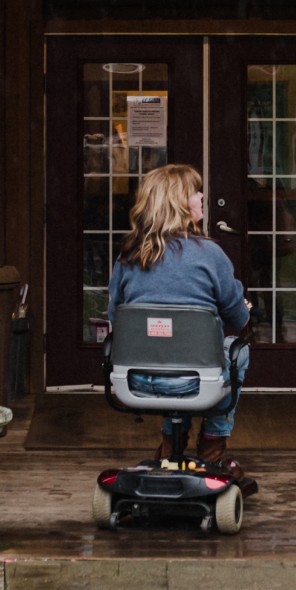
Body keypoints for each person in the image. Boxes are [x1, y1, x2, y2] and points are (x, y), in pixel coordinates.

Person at [106, 162, 251, 463]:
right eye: (195, 192)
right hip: (195, 382)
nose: (201, 197)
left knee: (166, 350)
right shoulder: (210, 256)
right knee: (237, 350)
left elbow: (116, 320)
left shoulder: (128, 256)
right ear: (178, 202)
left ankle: (170, 444)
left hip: (137, 379)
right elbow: (238, 320)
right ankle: (213, 447)